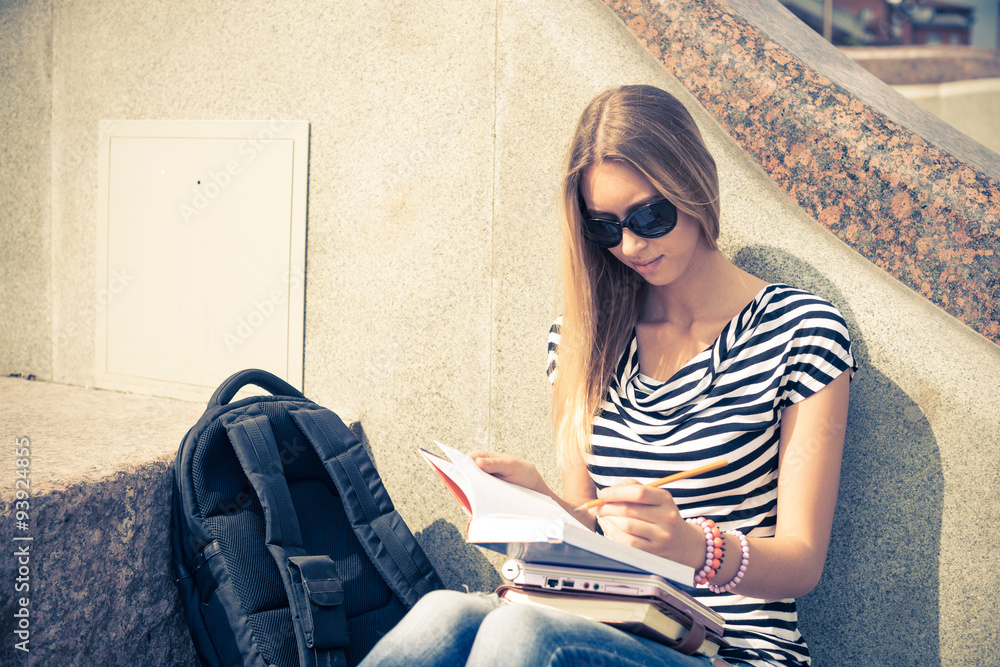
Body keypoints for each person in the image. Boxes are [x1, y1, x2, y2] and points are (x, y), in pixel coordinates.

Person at [359, 85, 854, 667]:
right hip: (616, 621)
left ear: (696, 186)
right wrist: (543, 504)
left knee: (522, 636)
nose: (631, 244)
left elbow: (803, 562)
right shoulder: (580, 339)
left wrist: (695, 547)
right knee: (443, 614)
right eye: (605, 226)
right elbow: (591, 536)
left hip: (734, 650)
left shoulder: (801, 331)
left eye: (651, 215)